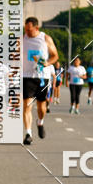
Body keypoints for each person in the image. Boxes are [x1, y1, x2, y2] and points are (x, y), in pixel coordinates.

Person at [22, 17, 58, 145]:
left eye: (29, 30)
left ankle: (40, 122)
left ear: (37, 28)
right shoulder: (22, 39)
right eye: (25, 29)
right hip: (27, 76)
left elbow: (55, 55)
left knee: (41, 107)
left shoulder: (45, 39)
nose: (27, 32)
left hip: (43, 77)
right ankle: (28, 133)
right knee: (27, 105)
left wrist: (47, 63)